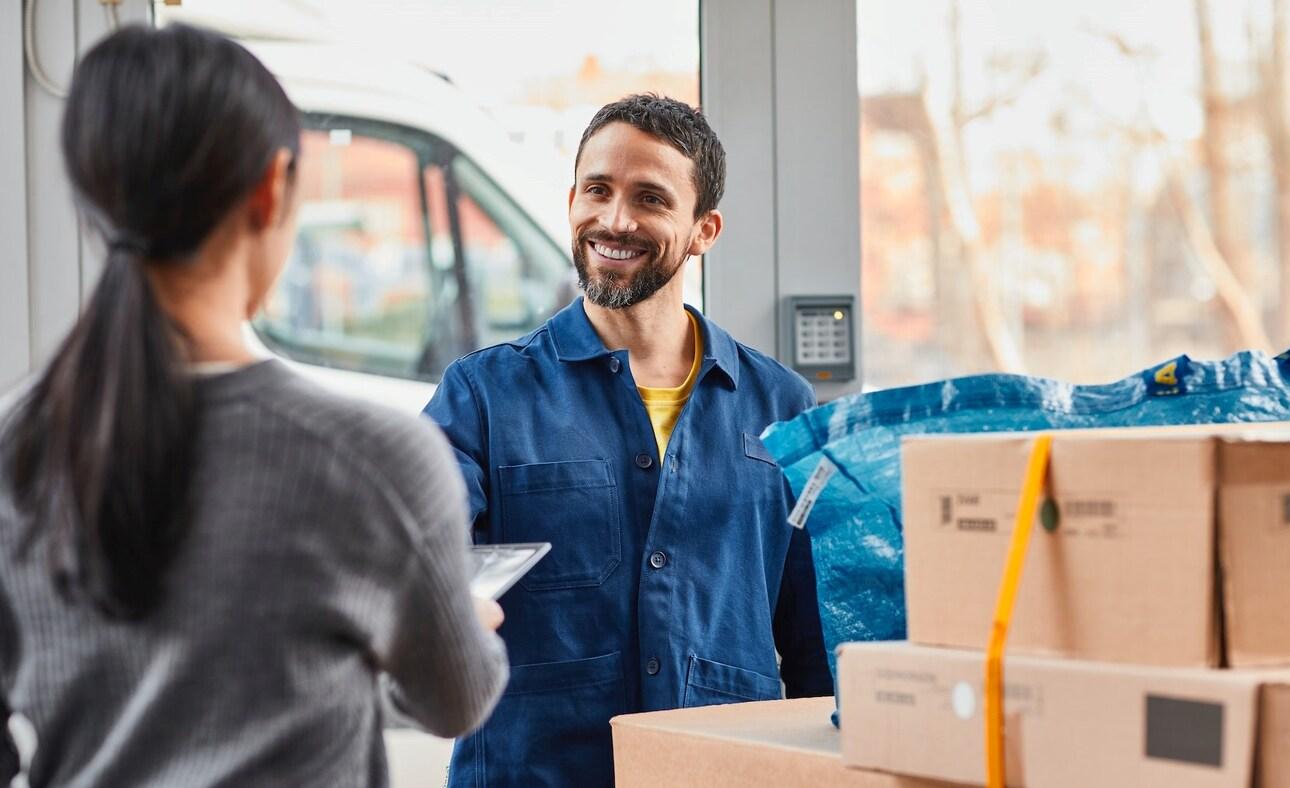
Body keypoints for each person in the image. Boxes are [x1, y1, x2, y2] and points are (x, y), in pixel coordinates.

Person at [0, 25, 507, 787]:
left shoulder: (20, 445)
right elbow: (454, 702)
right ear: (273, 188)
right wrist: (469, 623)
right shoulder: (376, 458)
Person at [424, 94, 833, 787]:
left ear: (704, 229)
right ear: (572, 200)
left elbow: (815, 643)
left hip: (719, 774)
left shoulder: (781, 407)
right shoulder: (481, 397)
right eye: (598, 190)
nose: (614, 220)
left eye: (649, 198)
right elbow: (416, 560)